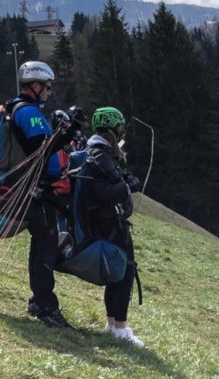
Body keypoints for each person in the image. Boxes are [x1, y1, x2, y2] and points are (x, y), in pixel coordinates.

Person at [10, 61, 74, 328]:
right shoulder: (29, 113)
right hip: (36, 191)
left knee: (42, 244)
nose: (49, 91)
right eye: (46, 87)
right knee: (46, 247)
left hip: (35, 189)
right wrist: (65, 135)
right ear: (35, 86)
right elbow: (41, 152)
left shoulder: (24, 110)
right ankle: (45, 306)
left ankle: (40, 301)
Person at [84, 107, 144, 347]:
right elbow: (101, 193)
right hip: (108, 223)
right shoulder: (100, 156)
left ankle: (113, 325)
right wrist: (126, 186)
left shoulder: (99, 152)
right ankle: (119, 328)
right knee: (124, 271)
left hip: (107, 222)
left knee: (121, 272)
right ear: (113, 129)